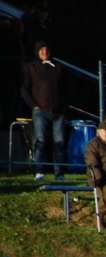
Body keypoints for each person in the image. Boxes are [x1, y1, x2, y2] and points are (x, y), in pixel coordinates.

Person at [20, 41, 65, 181]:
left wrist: (64, 106)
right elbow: (24, 89)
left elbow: (66, 88)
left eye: (46, 50)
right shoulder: (31, 67)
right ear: (37, 52)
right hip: (40, 110)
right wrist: (34, 105)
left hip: (58, 111)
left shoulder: (57, 67)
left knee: (59, 141)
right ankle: (38, 170)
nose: (44, 52)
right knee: (40, 140)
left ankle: (59, 173)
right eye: (41, 50)